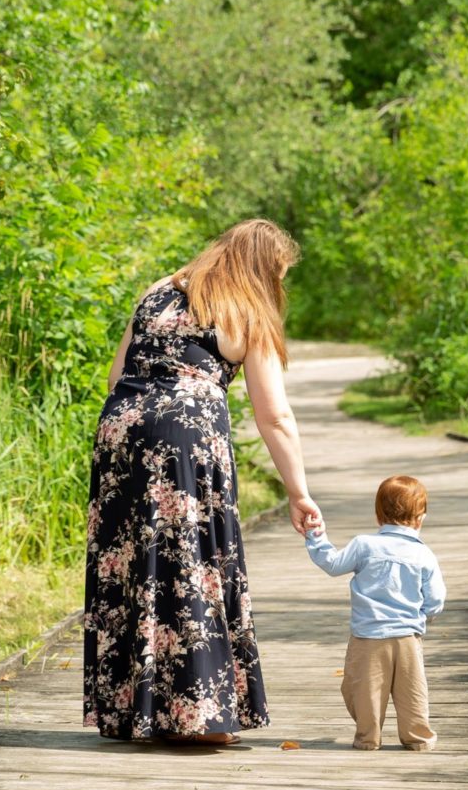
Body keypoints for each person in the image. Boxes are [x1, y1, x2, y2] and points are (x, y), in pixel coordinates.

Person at [83, 219, 325, 746]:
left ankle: (130, 711)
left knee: (129, 564)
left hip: (121, 430)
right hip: (183, 440)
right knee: (193, 564)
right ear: (264, 270)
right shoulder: (245, 312)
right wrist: (298, 490)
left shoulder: (157, 292)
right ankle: (198, 718)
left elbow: (115, 374)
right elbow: (274, 416)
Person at [303, 475, 445, 751]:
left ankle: (368, 737)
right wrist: (423, 616)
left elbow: (332, 564)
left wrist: (316, 535)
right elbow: (436, 599)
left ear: (378, 515)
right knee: (412, 691)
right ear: (421, 518)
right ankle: (418, 738)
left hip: (368, 636)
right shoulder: (424, 554)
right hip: (407, 636)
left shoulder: (364, 545)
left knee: (364, 690)